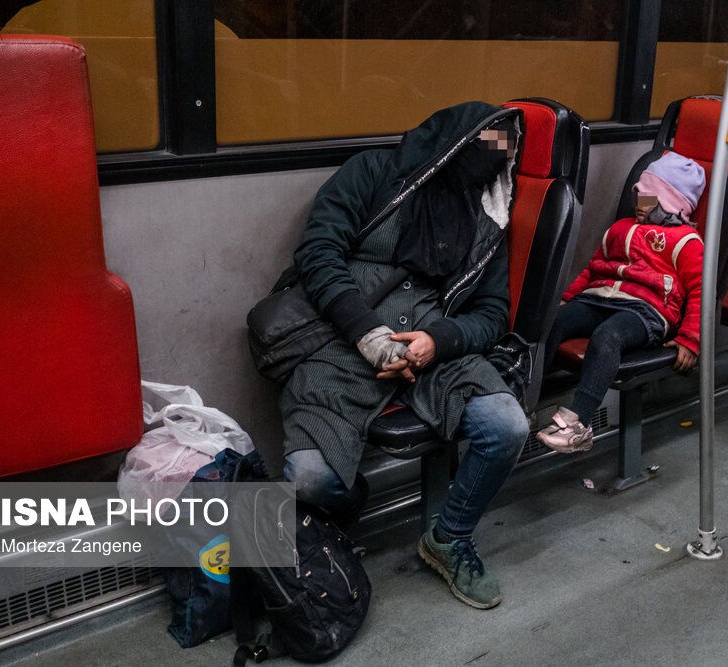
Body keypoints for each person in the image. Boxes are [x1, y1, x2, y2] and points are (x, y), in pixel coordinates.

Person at [278, 101, 529, 610]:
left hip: (432, 343)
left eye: (502, 152)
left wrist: (438, 341)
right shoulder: (372, 173)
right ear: (451, 141)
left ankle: (449, 537)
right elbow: (318, 253)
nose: (490, 162)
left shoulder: (486, 221)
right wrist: (368, 334)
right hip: (344, 338)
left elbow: (493, 312)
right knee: (308, 480)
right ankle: (351, 501)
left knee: (508, 426)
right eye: (482, 146)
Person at [537, 152, 706, 453]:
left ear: (671, 205)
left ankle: (579, 423)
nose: (639, 206)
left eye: (648, 200)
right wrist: (566, 300)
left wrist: (690, 339)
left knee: (607, 337)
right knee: (552, 322)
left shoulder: (685, 241)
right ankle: (525, 400)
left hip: (647, 310)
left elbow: (699, 290)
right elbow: (592, 268)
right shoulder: (620, 228)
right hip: (601, 296)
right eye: (638, 197)